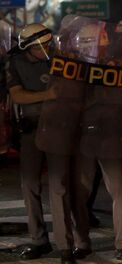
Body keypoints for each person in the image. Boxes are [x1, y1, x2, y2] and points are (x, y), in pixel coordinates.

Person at [69, 23, 122, 261]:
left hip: (109, 135)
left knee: (118, 190)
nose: (102, 49)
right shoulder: (77, 69)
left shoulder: (113, 66)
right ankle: (82, 242)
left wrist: (112, 82)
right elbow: (73, 101)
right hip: (86, 136)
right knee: (80, 192)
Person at [5, 23, 56, 261]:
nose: (45, 50)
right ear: (27, 47)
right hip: (31, 129)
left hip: (59, 128)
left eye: (48, 44)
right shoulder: (15, 63)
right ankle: (39, 239)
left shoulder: (59, 58)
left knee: (62, 186)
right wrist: (48, 95)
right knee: (30, 185)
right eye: (40, 47)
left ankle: (74, 238)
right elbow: (17, 95)